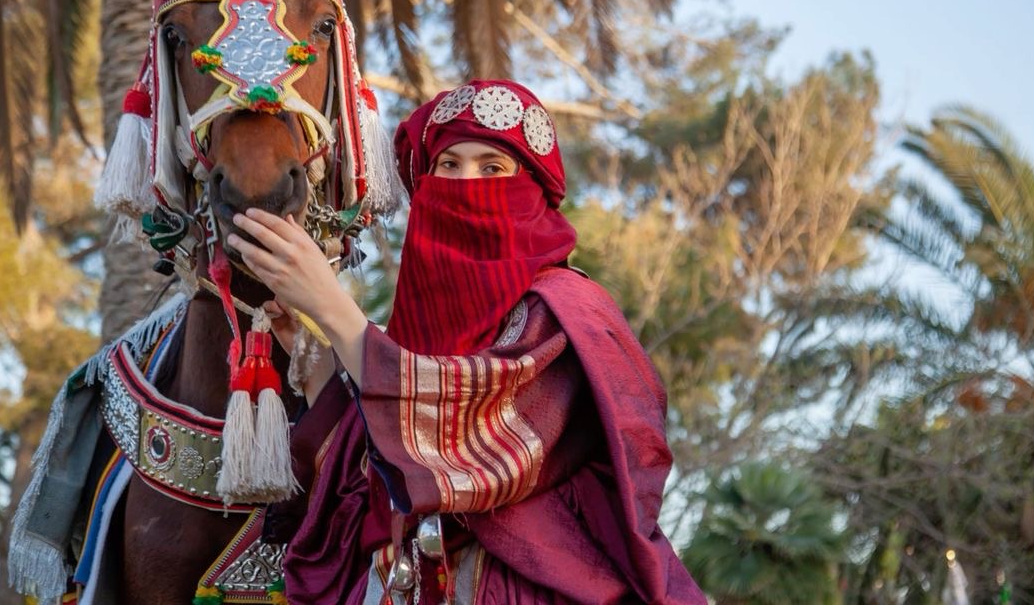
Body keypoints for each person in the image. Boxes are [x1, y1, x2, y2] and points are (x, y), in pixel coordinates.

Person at [226, 80, 706, 604]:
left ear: (532, 191)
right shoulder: (410, 337)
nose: (465, 183)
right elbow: (374, 463)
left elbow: (465, 433)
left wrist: (333, 309)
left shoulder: (570, 312)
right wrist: (308, 343)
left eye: (492, 168)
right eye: (448, 165)